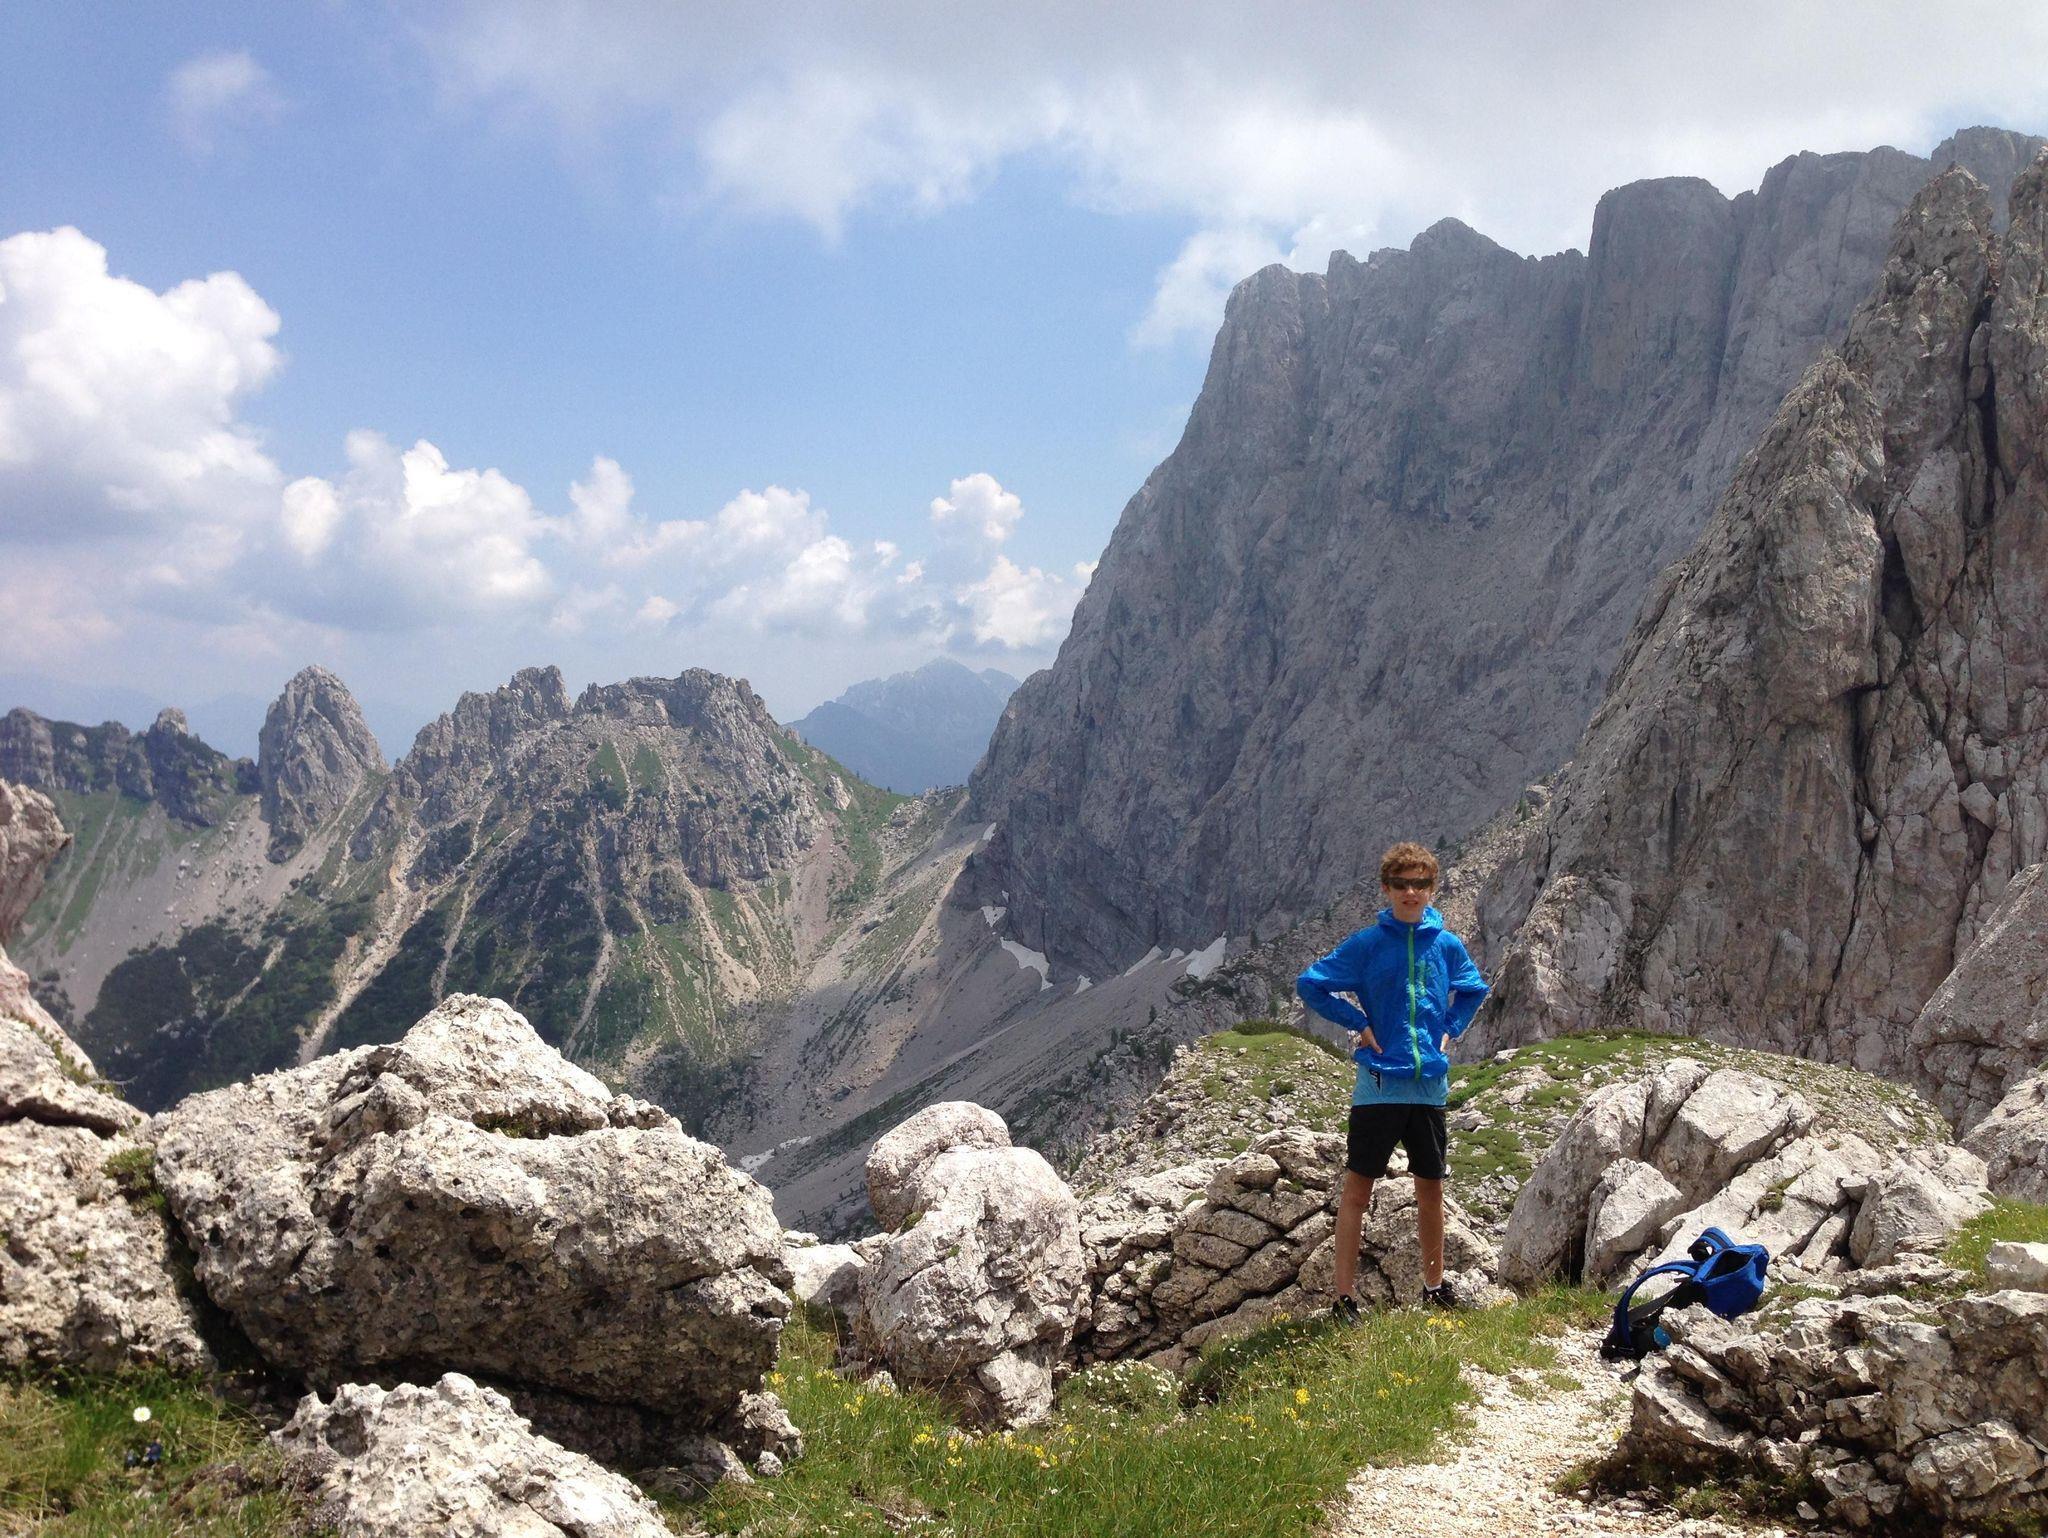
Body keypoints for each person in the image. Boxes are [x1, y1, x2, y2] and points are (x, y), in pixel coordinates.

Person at [1296, 841, 1488, 1316]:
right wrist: (1358, 1024)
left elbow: (1473, 989)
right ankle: (1344, 1299)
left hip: (1429, 1086)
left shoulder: (1446, 945)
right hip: (1379, 1085)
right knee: (1357, 1191)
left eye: (1420, 883)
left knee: (1431, 1189)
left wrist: (1449, 1030)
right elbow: (1311, 984)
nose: (1410, 892)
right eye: (1401, 883)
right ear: (1386, 888)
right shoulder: (1367, 944)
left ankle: (1434, 1288)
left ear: (1432, 888)